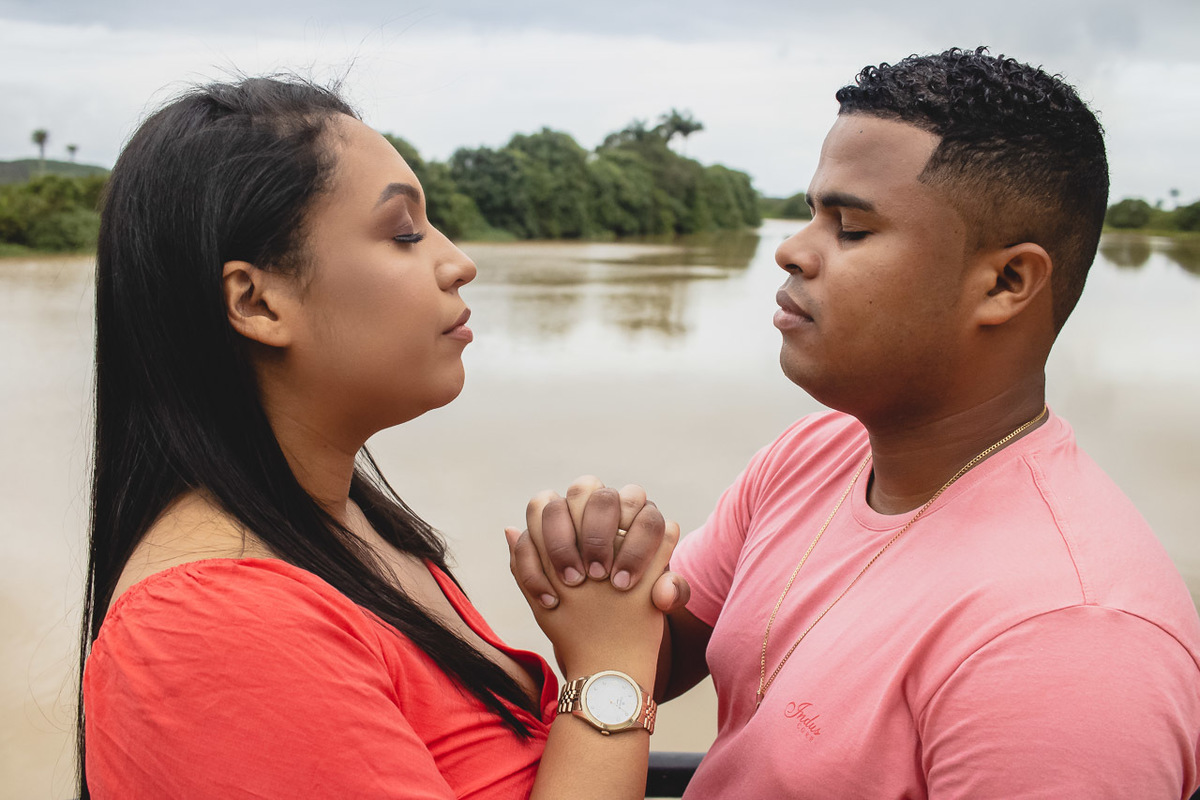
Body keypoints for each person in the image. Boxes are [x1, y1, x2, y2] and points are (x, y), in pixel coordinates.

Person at [509, 47, 1200, 797]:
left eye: (851, 228)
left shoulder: (1069, 643)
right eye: (812, 212)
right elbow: (672, 649)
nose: (791, 250)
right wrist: (608, 584)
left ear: (1005, 282)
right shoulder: (817, 453)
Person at [77, 75, 678, 799]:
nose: (459, 262)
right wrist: (608, 667)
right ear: (257, 301)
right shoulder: (212, 628)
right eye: (404, 233)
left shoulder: (347, 526)